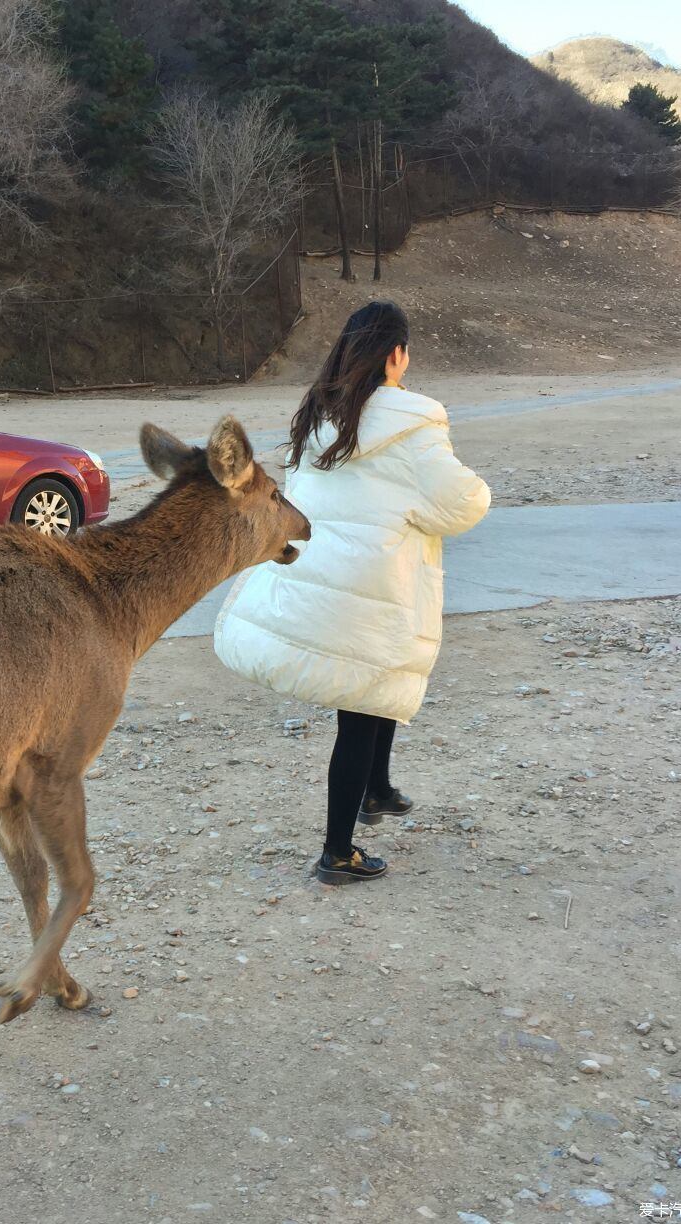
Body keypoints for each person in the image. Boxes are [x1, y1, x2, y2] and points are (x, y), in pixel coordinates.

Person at [214, 301, 490, 885]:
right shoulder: (414, 427)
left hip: (324, 579)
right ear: (396, 354)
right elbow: (462, 502)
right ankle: (337, 852)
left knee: (381, 683)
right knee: (360, 714)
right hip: (371, 587)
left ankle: (378, 790)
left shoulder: (321, 414)